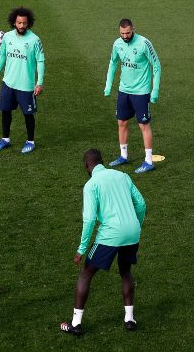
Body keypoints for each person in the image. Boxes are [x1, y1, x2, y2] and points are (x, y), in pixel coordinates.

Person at [60, 149, 146, 336]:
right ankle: (129, 319)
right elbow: (141, 204)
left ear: (86, 165)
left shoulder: (91, 185)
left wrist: (81, 249)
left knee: (86, 274)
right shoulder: (122, 176)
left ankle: (76, 324)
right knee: (125, 271)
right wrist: (136, 226)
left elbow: (89, 219)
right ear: (102, 161)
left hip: (110, 236)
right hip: (132, 233)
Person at [104, 18, 161, 173]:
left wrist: (155, 90)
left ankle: (148, 161)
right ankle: (123, 156)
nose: (125, 36)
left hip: (141, 91)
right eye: (122, 33)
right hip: (124, 90)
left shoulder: (144, 43)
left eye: (128, 33)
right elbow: (113, 63)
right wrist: (108, 85)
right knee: (122, 122)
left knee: (143, 125)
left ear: (133, 29)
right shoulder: (117, 44)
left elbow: (156, 65)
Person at [0, 6, 45, 154]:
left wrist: (39, 83)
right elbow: (1, 55)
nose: (21, 26)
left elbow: (40, 61)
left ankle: (30, 141)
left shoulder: (35, 40)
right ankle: (5, 139)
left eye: (24, 23)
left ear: (29, 23)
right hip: (8, 83)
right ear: (14, 22)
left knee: (28, 114)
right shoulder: (7, 37)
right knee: (5, 111)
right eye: (19, 23)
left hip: (26, 86)